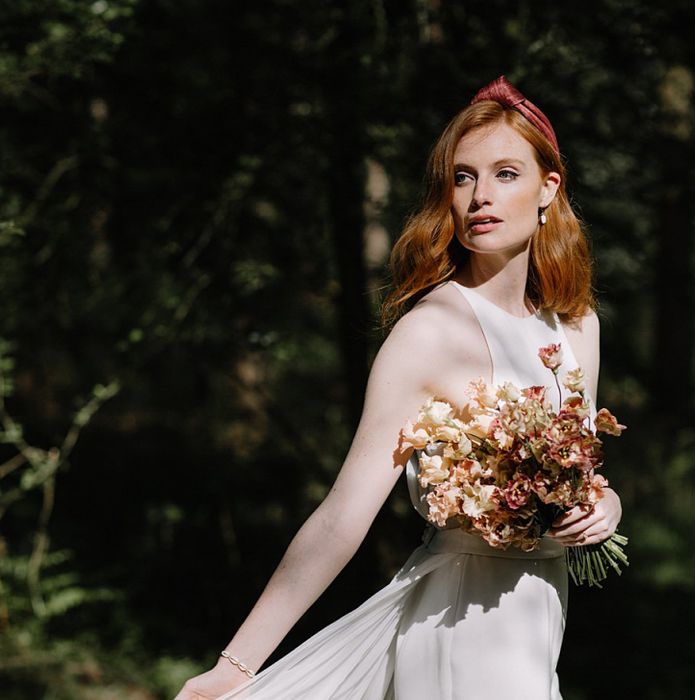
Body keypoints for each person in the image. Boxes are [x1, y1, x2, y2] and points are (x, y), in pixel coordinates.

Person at [175, 75, 623, 700]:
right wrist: (237, 666)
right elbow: (341, 517)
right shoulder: (428, 333)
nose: (479, 197)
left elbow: (583, 476)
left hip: (539, 620)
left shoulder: (576, 327)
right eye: (462, 177)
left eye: (505, 174)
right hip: (460, 622)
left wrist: (605, 510)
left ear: (549, 187)